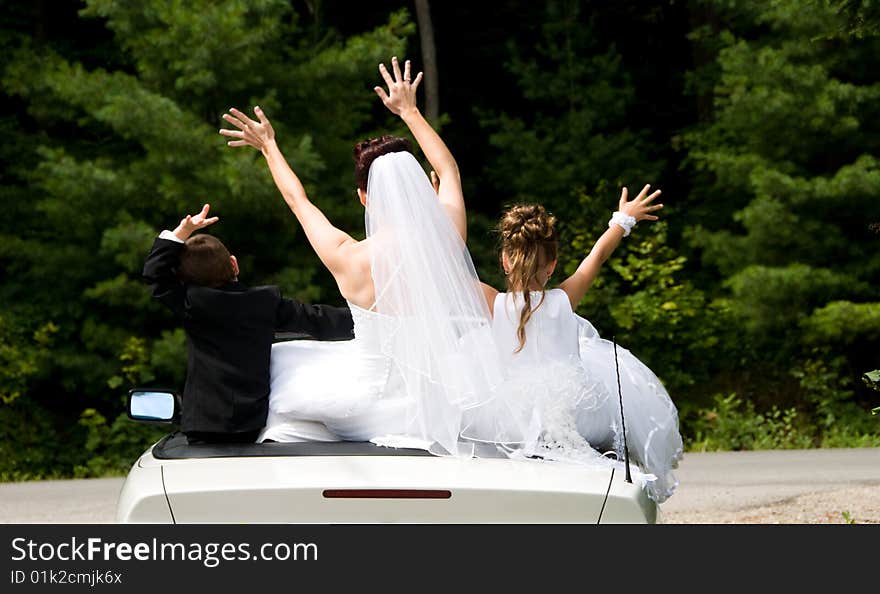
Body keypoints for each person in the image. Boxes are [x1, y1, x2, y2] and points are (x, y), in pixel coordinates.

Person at [220, 57, 504, 455]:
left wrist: (269, 147)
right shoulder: (446, 240)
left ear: (362, 197)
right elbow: (449, 170)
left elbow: (298, 201)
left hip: (363, 408)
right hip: (438, 402)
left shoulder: (347, 256)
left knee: (286, 362)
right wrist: (409, 111)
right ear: (421, 190)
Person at [476, 195, 684, 502]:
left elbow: (448, 272)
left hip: (512, 415)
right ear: (553, 264)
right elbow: (597, 256)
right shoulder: (563, 299)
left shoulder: (492, 302)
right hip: (573, 409)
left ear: (504, 260)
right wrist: (623, 220)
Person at [142, 204, 355, 444]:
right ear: (234, 264)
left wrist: (181, 233)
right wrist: (372, 316)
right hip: (251, 424)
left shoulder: (192, 303)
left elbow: (154, 274)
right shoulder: (264, 302)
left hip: (203, 424)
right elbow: (318, 319)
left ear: (183, 279)